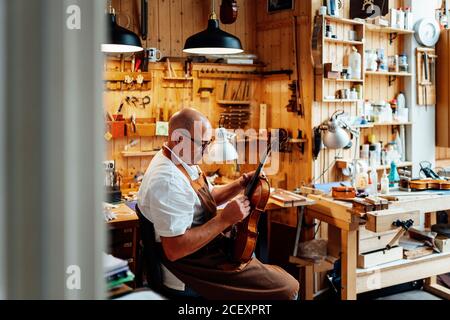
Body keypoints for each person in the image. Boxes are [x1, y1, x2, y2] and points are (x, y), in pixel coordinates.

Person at [137, 108, 299, 300]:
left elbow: (207, 197)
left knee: (259, 264)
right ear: (179, 139)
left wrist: (239, 184)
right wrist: (224, 219)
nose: (206, 151)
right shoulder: (168, 180)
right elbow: (174, 249)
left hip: (206, 251)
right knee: (288, 289)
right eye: (203, 144)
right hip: (191, 267)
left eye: (208, 143)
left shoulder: (179, 159)